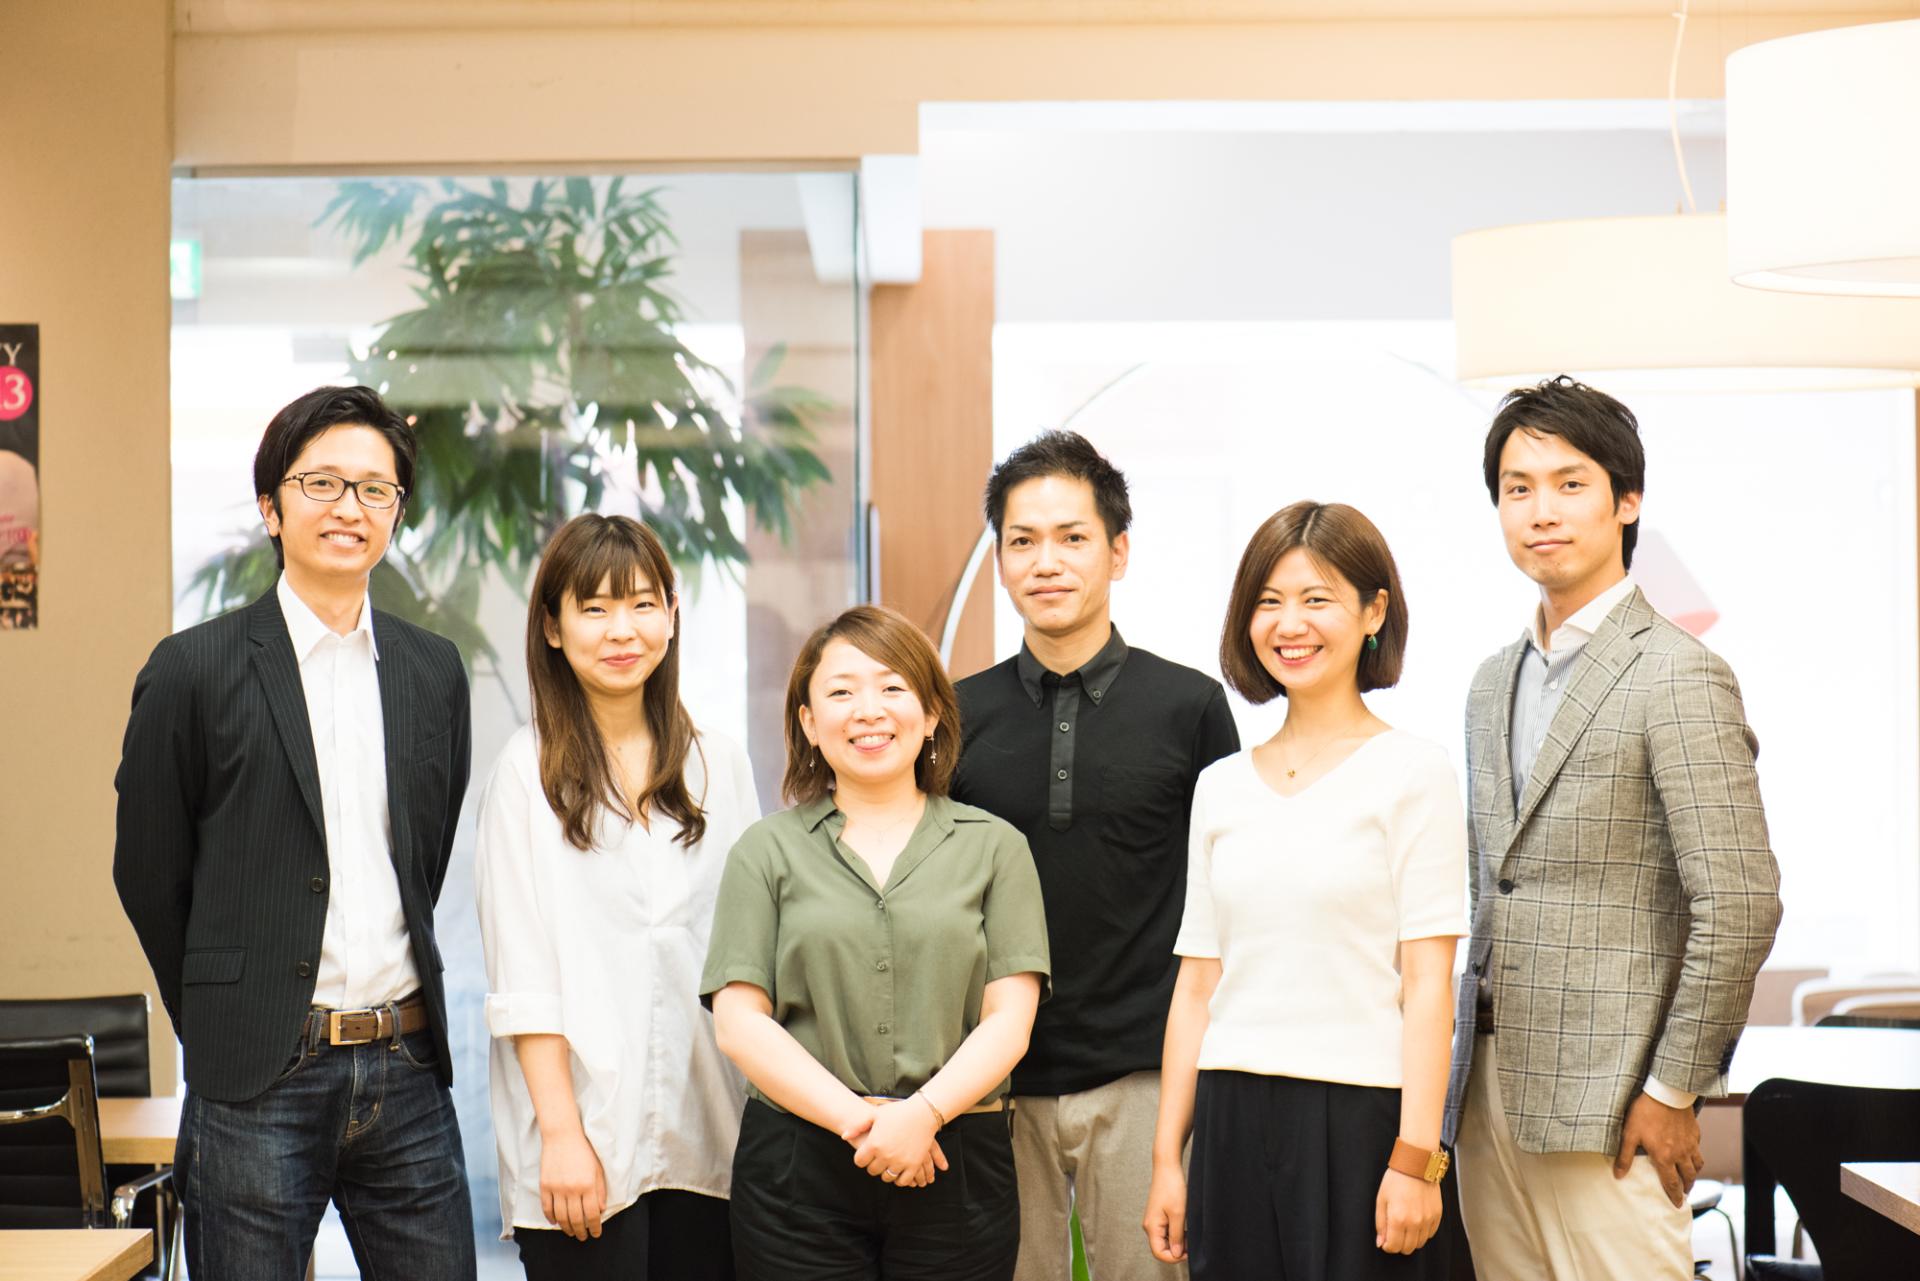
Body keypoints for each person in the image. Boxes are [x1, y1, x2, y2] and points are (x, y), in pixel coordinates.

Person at [113, 384, 475, 1280]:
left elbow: (424, 854)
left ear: (396, 512)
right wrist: (229, 1013)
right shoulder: (194, 668)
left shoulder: (433, 670)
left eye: (375, 489)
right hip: (258, 1077)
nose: (350, 507)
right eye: (322, 483)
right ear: (271, 507)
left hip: (406, 1064)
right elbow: (149, 871)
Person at [1444, 376, 1782, 1279]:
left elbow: (1740, 903)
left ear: (1627, 500)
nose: (1542, 510)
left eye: (1571, 483)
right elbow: (1491, 888)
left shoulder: (1678, 672)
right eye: (1518, 488)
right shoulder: (1489, 682)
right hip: (1485, 1096)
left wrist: (1673, 1087)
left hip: (1618, 1104)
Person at [1144, 501, 1465, 1279]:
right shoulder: (1221, 785)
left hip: (1363, 1117)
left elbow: (1429, 986)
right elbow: (1198, 984)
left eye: (1316, 598)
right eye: (1269, 601)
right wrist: (1166, 1159)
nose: (1290, 623)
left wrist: (1417, 1157)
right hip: (1230, 1115)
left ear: (1373, 611)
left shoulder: (1414, 772)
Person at [950, 431, 1238, 1281]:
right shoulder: (955, 714)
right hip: (992, 1078)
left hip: (1146, 1077)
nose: (1047, 561)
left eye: (1072, 537)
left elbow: (1226, 902)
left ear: (1118, 552)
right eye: (1023, 540)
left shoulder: (1189, 706)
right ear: (1000, 561)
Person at [703, 604, 1051, 1281]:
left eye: (892, 687)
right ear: (809, 722)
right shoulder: (764, 851)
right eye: (841, 692)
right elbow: (739, 1023)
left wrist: (922, 1115)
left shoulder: (996, 848)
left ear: (931, 713)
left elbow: (1011, 1020)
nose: (868, 710)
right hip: (797, 1169)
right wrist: (868, 1126)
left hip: (956, 1156)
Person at [474, 513, 757, 1279]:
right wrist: (561, 1133)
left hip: (710, 1128)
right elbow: (524, 976)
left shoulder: (718, 763)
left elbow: (748, 948)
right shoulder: (525, 772)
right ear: (553, 628)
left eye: (641, 604)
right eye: (594, 608)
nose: (621, 629)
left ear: (672, 614)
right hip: (583, 1141)